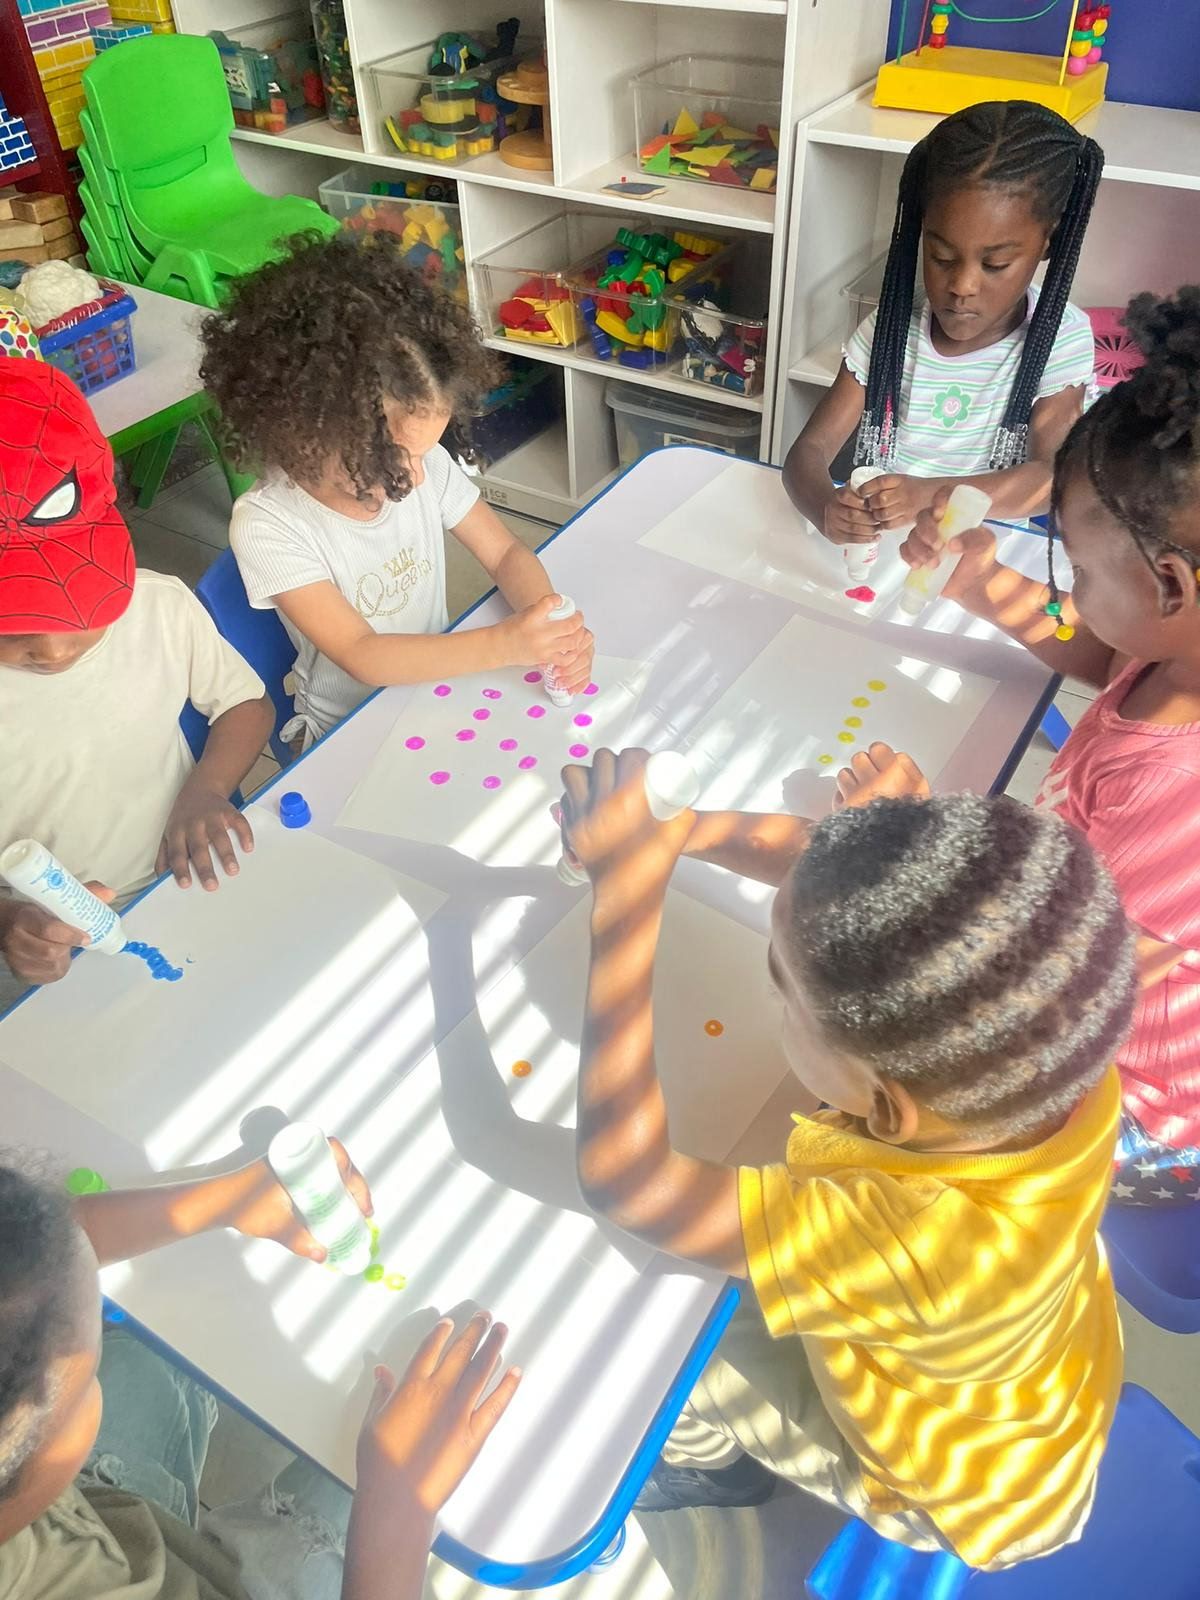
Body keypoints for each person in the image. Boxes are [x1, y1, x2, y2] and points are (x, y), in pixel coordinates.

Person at [557, 751, 1135, 1570]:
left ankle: (705, 1470)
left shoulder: (923, 1251)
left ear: (888, 1109)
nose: (775, 992)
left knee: (664, 1337)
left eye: (779, 984)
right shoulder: (1048, 1041)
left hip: (975, 1495)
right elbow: (817, 868)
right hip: (1040, 1390)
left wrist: (625, 896)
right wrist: (669, 832)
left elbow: (629, 1182)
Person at [899, 285, 1200, 1203]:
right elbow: (1110, 648)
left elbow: (1055, 953)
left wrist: (916, 839)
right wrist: (983, 585)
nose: (1062, 582)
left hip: (1124, 1105)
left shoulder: (1178, 793)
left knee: (884, 1087)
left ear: (1173, 584)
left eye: (1071, 563)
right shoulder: (1174, 653)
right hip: (1072, 954)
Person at [0, 1146, 520, 1600]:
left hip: (98, 1520)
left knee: (147, 1352)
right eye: (89, 1379)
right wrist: (401, 1512)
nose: (96, 1379)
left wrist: (224, 1198)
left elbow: (57, 1253)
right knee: (358, 1479)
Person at [200, 231, 594, 753]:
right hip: (351, 732)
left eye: (422, 452)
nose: (414, 475)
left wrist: (545, 623)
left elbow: (504, 551)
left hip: (436, 693)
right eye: (391, 459)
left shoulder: (419, 458)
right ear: (304, 433)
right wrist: (505, 643)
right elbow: (364, 653)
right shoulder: (269, 524)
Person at [0, 361, 272, 1010]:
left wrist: (205, 791)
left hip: (181, 886)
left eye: (77, 610)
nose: (55, 646)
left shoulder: (157, 607)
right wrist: (13, 927)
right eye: (14, 623)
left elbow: (246, 703)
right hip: (44, 954)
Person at [783, 100, 1102, 549]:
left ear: (1048, 244)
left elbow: (1053, 478)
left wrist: (931, 495)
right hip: (885, 557)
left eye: (997, 264)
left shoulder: (1058, 340)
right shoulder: (891, 333)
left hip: (983, 564)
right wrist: (824, 508)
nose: (962, 286)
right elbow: (809, 452)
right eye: (942, 257)